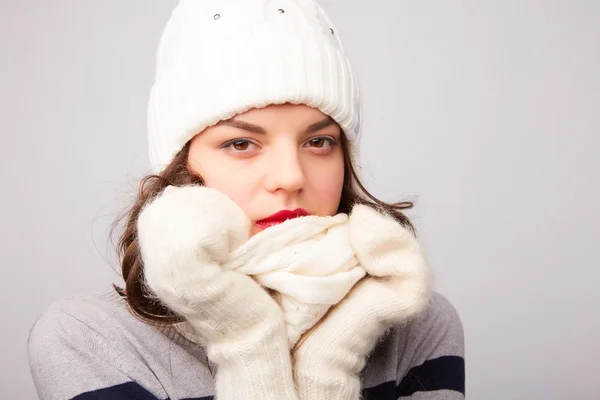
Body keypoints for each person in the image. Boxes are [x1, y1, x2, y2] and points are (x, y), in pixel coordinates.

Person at [27, 0, 465, 399]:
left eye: (318, 141)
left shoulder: (411, 319)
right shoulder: (89, 338)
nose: (290, 177)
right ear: (180, 167)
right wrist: (248, 342)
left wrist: (330, 362)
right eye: (241, 144)